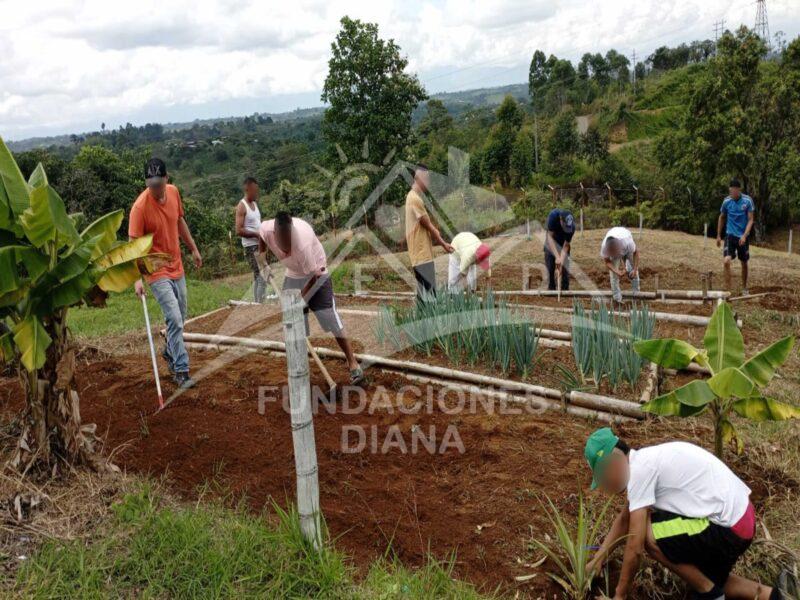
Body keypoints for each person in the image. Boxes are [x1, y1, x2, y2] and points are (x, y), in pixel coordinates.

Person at [584, 428, 793, 600]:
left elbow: (635, 548)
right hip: (740, 521)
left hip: (727, 526)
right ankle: (774, 595)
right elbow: (625, 518)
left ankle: (709, 594)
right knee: (710, 579)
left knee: (646, 534)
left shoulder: (640, 470)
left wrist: (619, 596)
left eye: (603, 479)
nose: (605, 487)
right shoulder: (645, 461)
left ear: (613, 462)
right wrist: (599, 558)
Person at [259, 211, 364, 384]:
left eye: (288, 241)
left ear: (292, 233)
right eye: (281, 242)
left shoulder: (302, 244)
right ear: (275, 234)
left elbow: (312, 278)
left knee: (329, 318)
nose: (285, 246)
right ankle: (299, 366)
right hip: (293, 274)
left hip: (316, 274)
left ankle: (353, 364)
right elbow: (260, 235)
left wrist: (301, 301)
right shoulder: (268, 229)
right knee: (293, 322)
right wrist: (262, 259)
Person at [130, 158, 202, 389]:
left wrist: (193, 248)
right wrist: (136, 279)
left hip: (176, 265)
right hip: (155, 270)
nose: (156, 189)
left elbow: (180, 222)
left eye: (159, 184)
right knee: (173, 318)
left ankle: (171, 351)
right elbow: (133, 247)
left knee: (181, 315)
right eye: (151, 185)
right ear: (146, 183)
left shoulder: (174, 192)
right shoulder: (140, 208)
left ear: (166, 179)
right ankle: (181, 370)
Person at [404, 164, 453, 301]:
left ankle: (419, 321)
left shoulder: (411, 197)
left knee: (423, 298)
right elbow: (428, 225)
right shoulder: (415, 199)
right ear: (419, 178)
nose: (429, 183)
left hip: (418, 255)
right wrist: (443, 243)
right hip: (422, 255)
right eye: (428, 179)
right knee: (430, 297)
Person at [717, 179, 754, 295]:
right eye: (730, 192)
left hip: (743, 237)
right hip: (730, 235)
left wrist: (744, 235)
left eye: (733, 191)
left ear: (739, 190)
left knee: (744, 262)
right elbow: (722, 217)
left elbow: (751, 220)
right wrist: (718, 235)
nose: (731, 194)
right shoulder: (727, 201)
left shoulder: (747, 201)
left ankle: (744, 288)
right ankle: (728, 291)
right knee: (726, 261)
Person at [235, 176, 267, 303]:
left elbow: (257, 224)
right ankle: (260, 306)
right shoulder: (241, 206)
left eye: (257, 190)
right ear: (247, 189)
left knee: (258, 276)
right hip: (250, 247)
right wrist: (257, 235)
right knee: (261, 277)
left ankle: (256, 304)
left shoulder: (254, 204)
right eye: (254, 191)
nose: (256, 193)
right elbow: (239, 230)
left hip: (259, 245)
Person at [600, 226, 639, 304]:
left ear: (618, 247)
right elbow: (607, 262)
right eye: (611, 253)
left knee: (634, 273)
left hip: (626, 247)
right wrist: (617, 271)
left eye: (615, 251)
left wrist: (635, 269)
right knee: (613, 276)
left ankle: (636, 295)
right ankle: (617, 299)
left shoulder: (628, 242)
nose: (614, 253)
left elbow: (636, 253)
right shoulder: (604, 248)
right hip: (615, 243)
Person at [544, 208, 575, 291]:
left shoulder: (572, 227)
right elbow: (549, 238)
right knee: (550, 266)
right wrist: (557, 257)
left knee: (565, 267)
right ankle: (551, 289)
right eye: (564, 225)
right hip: (551, 242)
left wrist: (561, 259)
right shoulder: (553, 216)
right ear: (560, 219)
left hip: (563, 244)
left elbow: (566, 245)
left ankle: (565, 290)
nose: (566, 228)